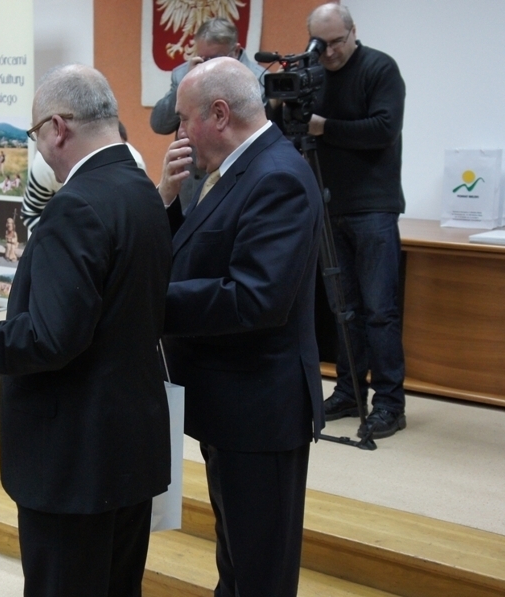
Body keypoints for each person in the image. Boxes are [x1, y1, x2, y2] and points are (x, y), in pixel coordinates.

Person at [0, 64, 173, 597]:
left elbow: (48, 339)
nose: (38, 147)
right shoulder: (142, 190)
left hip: (74, 458)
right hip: (131, 445)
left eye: (35, 134)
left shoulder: (75, 206)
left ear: (58, 128)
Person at [157, 58, 324, 597]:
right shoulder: (236, 170)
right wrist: (165, 202)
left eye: (185, 119)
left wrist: (146, 303)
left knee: (260, 571)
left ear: (219, 114)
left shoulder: (277, 176)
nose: (180, 133)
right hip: (229, 405)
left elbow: (256, 297)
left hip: (259, 411)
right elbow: (198, 254)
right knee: (237, 558)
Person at [305, 3, 407, 439]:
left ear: (352, 32)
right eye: (321, 44)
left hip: (373, 207)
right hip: (328, 206)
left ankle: (389, 403)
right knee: (342, 310)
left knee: (379, 311)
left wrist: (324, 127)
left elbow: (383, 128)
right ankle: (349, 391)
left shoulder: (379, 68)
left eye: (337, 42)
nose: (329, 53)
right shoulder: (312, 74)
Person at [150, 17, 268, 211]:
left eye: (213, 59)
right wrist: (187, 84)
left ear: (235, 51)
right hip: (191, 184)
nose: (205, 65)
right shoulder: (183, 73)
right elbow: (159, 124)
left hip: (233, 181)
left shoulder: (260, 79)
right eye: (202, 57)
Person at [20, 121, 145, 232]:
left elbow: (135, 222)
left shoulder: (133, 165)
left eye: (116, 153)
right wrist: (59, 242)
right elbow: (31, 212)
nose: (108, 160)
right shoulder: (48, 164)